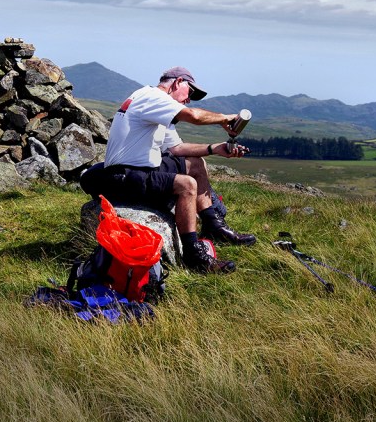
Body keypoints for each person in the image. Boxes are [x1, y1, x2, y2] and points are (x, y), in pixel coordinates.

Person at [82, 66, 255, 274]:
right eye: (190, 92)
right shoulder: (152, 97)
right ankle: (194, 256)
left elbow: (176, 149)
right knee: (187, 185)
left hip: (140, 169)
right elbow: (194, 116)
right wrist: (225, 118)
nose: (189, 99)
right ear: (178, 82)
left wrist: (215, 148)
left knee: (195, 163)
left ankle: (213, 226)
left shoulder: (156, 107)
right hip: (125, 175)